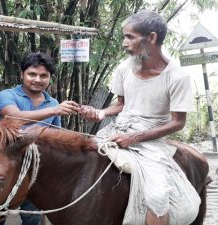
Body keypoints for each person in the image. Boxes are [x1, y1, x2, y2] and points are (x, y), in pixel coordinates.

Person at [80, 10, 200, 225]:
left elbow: (178, 122)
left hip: (151, 142)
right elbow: (120, 104)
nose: (124, 43)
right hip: (116, 131)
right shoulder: (124, 67)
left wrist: (135, 138)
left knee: (157, 196)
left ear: (151, 38)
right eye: (124, 37)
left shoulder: (177, 76)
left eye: (130, 37)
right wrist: (100, 113)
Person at [0, 52, 80, 225]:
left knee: (32, 217)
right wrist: (54, 111)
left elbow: (57, 135)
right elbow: (15, 118)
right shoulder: (6, 95)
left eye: (44, 76)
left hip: (34, 168)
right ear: (22, 74)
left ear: (49, 78)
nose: (38, 79)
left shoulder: (53, 102)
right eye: (32, 74)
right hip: (6, 163)